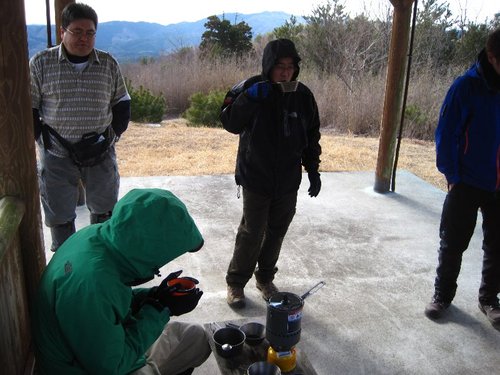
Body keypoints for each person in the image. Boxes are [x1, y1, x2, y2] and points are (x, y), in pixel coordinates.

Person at [32, 188, 211, 375]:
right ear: (147, 252)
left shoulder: (103, 240)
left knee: (194, 337)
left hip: (104, 346)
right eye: (160, 259)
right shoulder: (92, 284)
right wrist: (160, 310)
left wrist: (154, 296)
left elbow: (111, 304)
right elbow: (112, 367)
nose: (157, 268)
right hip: (88, 368)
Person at [220, 38, 322, 308]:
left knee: (277, 231)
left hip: (288, 180)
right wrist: (248, 100)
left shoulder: (303, 96)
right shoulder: (252, 88)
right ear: (268, 66)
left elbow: (312, 136)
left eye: (290, 67)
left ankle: (265, 278)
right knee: (252, 232)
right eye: (280, 66)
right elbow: (229, 122)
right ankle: (235, 283)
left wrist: (313, 170)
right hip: (256, 175)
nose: (286, 72)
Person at [30, 3, 131, 252]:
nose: (83, 38)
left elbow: (122, 101)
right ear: (63, 31)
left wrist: (113, 134)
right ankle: (66, 266)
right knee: (59, 214)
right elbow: (30, 108)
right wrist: (41, 139)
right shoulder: (41, 63)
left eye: (90, 32)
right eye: (76, 31)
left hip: (100, 150)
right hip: (56, 154)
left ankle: (100, 259)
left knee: (104, 209)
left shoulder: (107, 63)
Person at [425, 28, 500, 329]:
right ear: (493, 57)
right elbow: (445, 135)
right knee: (453, 242)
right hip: (466, 181)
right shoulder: (466, 87)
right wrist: (452, 175)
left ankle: (489, 300)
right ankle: (442, 296)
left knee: (497, 245)